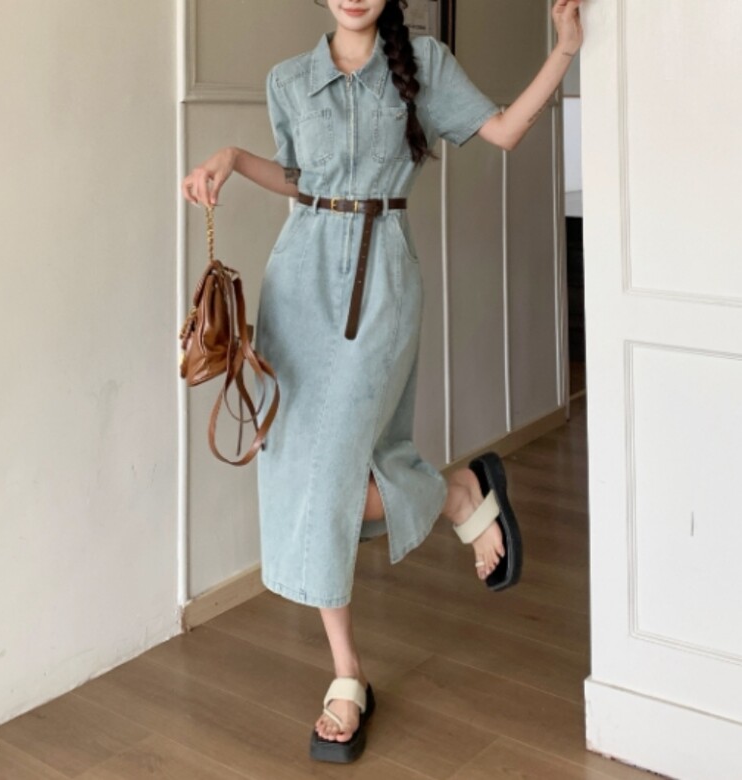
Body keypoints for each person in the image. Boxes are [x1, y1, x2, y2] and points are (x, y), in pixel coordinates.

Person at [182, 0, 583, 763]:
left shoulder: (422, 65)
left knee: (331, 476)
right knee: (295, 471)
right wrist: (229, 158)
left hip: (380, 284)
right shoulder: (288, 79)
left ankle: (457, 494)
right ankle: (347, 672)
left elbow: (503, 130)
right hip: (298, 287)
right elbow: (302, 180)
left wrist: (564, 48)